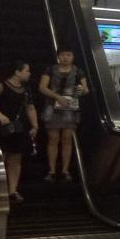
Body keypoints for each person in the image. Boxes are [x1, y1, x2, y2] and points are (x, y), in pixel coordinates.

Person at [0, 61, 38, 203]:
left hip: (19, 128)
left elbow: (30, 108)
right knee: (0, 158)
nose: (29, 73)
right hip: (1, 127)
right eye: (26, 70)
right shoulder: (1, 86)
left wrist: (35, 126)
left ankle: (12, 191)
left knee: (15, 159)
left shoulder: (26, 89)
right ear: (17, 72)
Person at [39, 47, 88, 183]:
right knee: (53, 138)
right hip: (52, 107)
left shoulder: (78, 71)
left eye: (68, 54)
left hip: (70, 108)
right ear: (58, 56)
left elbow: (86, 89)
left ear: (73, 56)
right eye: (62, 55)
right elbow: (42, 87)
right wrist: (57, 97)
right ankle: (52, 170)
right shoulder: (50, 69)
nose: (65, 57)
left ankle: (65, 170)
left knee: (67, 139)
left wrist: (82, 90)